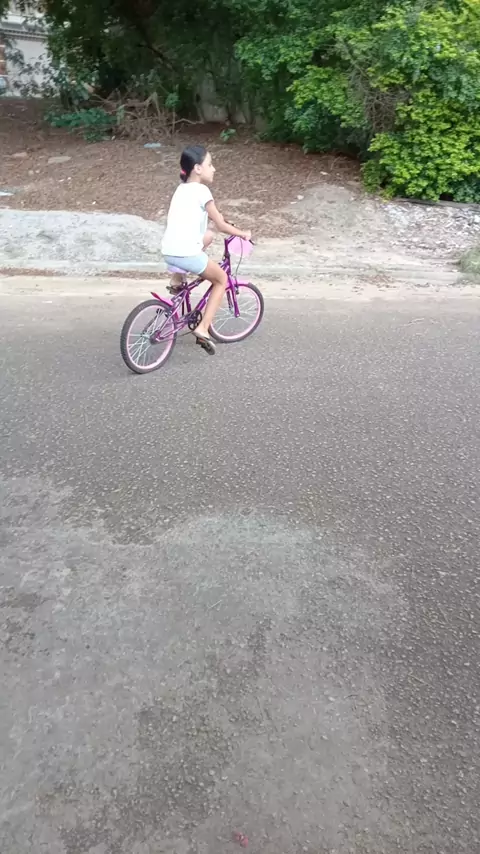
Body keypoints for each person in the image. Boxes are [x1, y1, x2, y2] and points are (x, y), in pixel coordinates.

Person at [161, 144, 251, 355]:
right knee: (221, 280)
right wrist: (242, 233)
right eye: (210, 164)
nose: (214, 168)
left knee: (208, 235)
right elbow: (221, 225)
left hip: (169, 250)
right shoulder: (202, 191)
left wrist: (222, 224)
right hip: (186, 253)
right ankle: (203, 329)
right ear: (198, 168)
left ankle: (176, 280)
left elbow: (208, 224)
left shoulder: (181, 189)